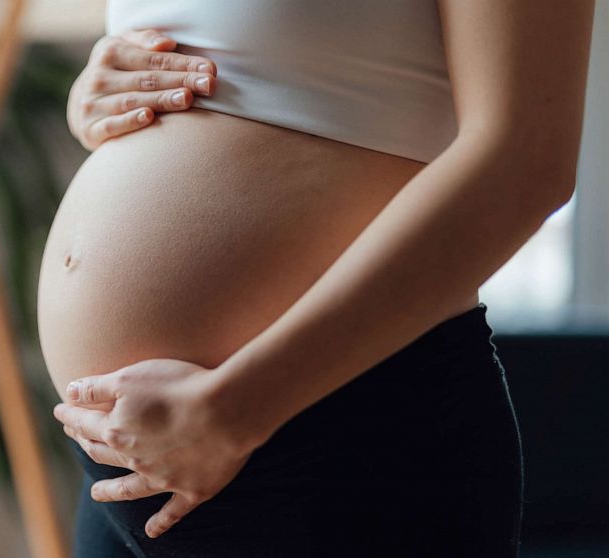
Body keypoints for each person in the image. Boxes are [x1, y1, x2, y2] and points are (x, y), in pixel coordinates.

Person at [40, 1, 596, 556]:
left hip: (330, 441)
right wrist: (95, 95)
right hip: (131, 460)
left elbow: (526, 158)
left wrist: (235, 409)